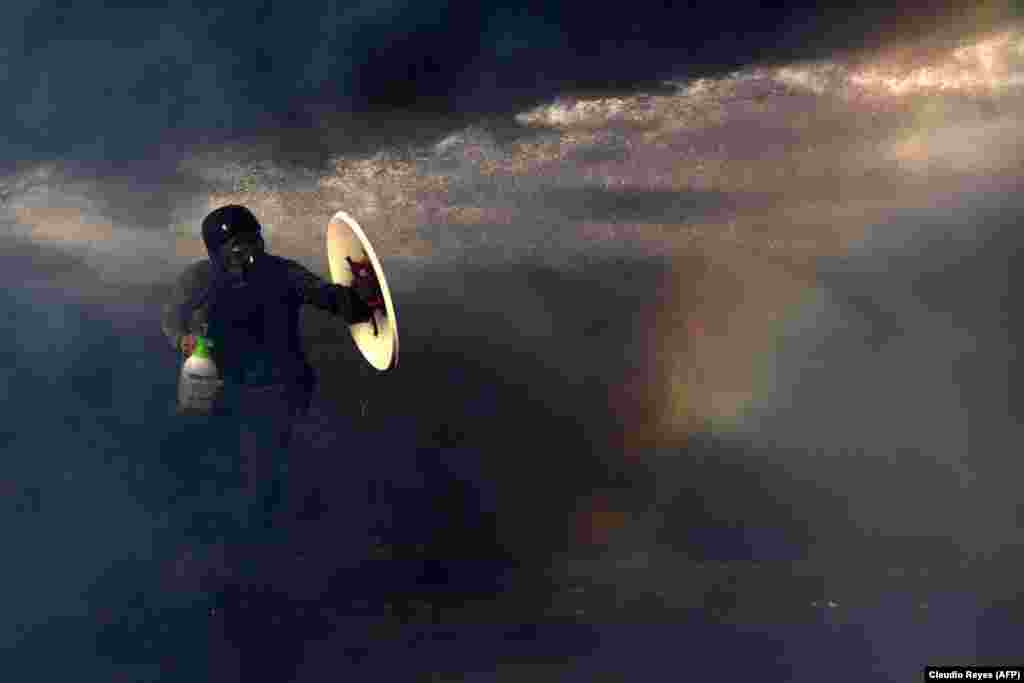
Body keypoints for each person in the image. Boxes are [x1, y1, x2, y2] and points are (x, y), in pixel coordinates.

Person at [161, 204, 379, 540]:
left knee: (267, 471)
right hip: (225, 388)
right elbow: (170, 317)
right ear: (217, 254)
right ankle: (212, 523)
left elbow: (324, 296)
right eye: (237, 247)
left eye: (253, 243)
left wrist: (360, 299)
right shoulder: (198, 279)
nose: (248, 254)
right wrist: (182, 339)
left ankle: (266, 532)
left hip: (281, 389)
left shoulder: (281, 272)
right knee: (216, 460)